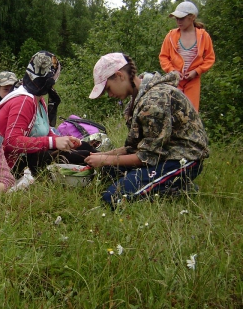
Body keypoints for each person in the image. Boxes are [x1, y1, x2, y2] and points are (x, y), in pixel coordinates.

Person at [85, 53, 209, 208]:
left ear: (119, 75)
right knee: (107, 172)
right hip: (162, 154)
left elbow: (147, 156)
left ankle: (178, 188)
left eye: (108, 88)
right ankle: (164, 186)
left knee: (113, 198)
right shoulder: (137, 99)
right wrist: (102, 156)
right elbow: (135, 147)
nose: (110, 95)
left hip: (182, 159)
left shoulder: (154, 102)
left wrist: (105, 159)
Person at [0, 50, 97, 176]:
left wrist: (65, 140)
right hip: (8, 165)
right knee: (83, 157)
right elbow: (11, 141)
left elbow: (46, 133)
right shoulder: (24, 100)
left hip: (29, 157)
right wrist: (53, 142)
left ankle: (104, 158)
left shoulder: (38, 99)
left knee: (84, 149)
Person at [159, 1, 215, 111]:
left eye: (182, 18)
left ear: (192, 17)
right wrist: (172, 71)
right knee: (174, 111)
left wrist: (197, 71)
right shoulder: (171, 35)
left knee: (191, 112)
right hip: (175, 80)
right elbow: (163, 57)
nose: (178, 21)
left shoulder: (203, 36)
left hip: (193, 80)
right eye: (176, 18)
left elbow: (210, 58)